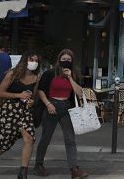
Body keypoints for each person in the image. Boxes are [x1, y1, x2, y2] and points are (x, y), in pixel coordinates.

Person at [0, 51, 40, 179]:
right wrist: (19, 95)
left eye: (36, 60)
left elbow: (33, 96)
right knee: (5, 144)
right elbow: (1, 93)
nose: (34, 63)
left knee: (30, 139)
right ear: (25, 61)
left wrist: (31, 102)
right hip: (9, 110)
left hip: (24, 111)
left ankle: (22, 173)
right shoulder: (12, 74)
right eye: (31, 59)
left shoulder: (36, 77)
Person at [33, 49, 88, 179]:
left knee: (70, 139)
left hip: (66, 108)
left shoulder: (74, 75)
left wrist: (70, 77)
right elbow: (41, 91)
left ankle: (74, 169)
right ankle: (38, 164)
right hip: (51, 105)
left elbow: (80, 93)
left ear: (72, 61)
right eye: (63, 59)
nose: (66, 62)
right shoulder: (50, 73)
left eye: (69, 60)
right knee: (46, 137)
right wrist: (48, 104)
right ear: (59, 60)